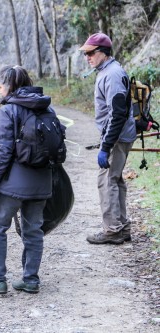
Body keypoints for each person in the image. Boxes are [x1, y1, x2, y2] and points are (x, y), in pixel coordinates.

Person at [0, 66, 52, 294]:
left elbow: (1, 153)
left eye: (0, 86)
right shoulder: (47, 108)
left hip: (12, 185)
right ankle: (30, 279)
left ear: (9, 86)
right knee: (34, 231)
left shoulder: (8, 112)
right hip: (42, 182)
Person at [79, 33, 136, 245]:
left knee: (107, 181)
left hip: (117, 136)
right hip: (120, 135)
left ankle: (112, 230)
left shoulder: (111, 74)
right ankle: (121, 226)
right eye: (86, 53)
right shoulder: (108, 71)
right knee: (116, 179)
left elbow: (118, 113)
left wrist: (106, 146)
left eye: (91, 53)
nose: (88, 57)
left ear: (103, 52)